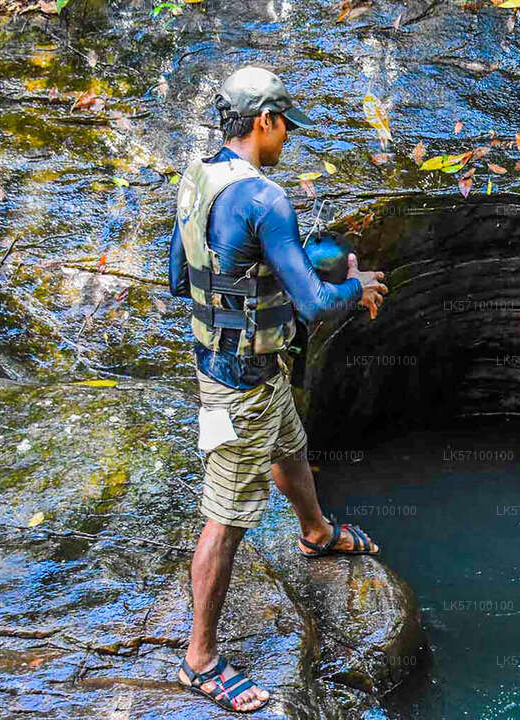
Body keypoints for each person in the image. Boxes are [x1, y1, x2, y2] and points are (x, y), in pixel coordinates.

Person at [167, 66, 389, 713]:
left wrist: (250, 283)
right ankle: (200, 659)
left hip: (228, 363)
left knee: (289, 443)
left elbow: (183, 276)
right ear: (263, 121)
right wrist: (359, 287)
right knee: (228, 517)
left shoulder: (199, 178)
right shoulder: (264, 199)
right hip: (240, 385)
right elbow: (318, 304)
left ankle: (315, 531)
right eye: (285, 125)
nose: (287, 137)